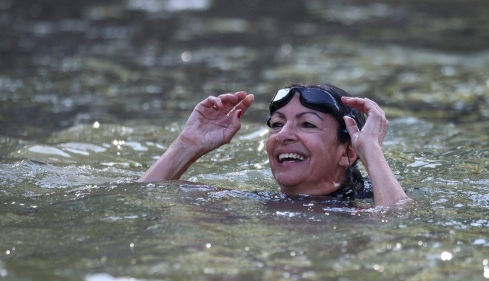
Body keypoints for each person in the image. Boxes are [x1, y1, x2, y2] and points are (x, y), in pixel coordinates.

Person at [138, 83, 407, 206]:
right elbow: (137, 200)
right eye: (277, 124)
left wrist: (370, 148)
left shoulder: (356, 216)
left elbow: (397, 229)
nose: (282, 135)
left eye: (307, 124)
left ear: (347, 152)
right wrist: (187, 144)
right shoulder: (243, 203)